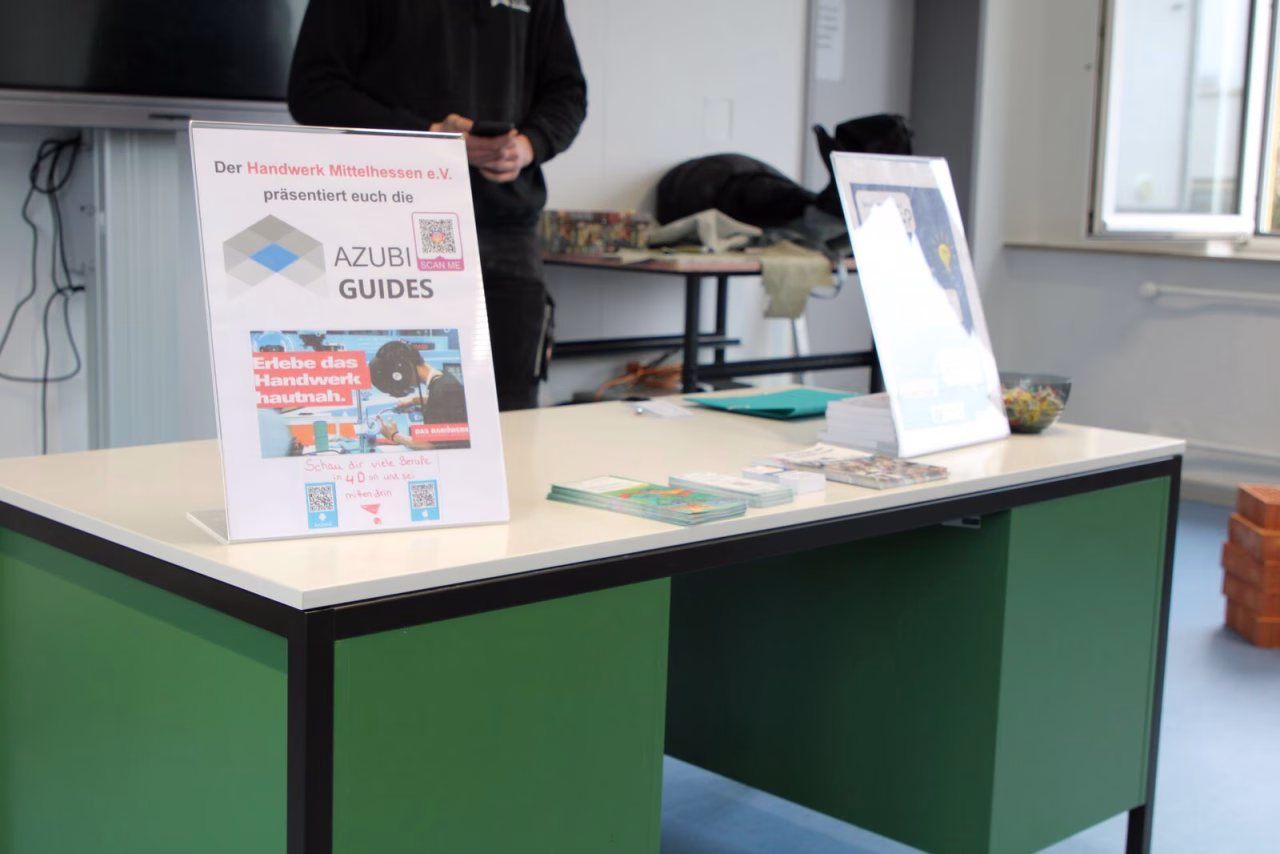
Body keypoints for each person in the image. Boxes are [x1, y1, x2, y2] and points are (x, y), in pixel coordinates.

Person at [287, 0, 588, 411]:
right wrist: (426, 136)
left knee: (511, 406)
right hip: (390, 222)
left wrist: (530, 144)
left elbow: (567, 91)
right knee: (396, 401)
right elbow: (313, 90)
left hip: (506, 230)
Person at [377, 349, 471, 451]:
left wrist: (395, 436)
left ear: (405, 368)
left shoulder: (441, 390)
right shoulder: (443, 376)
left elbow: (430, 445)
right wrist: (413, 400)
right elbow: (448, 400)